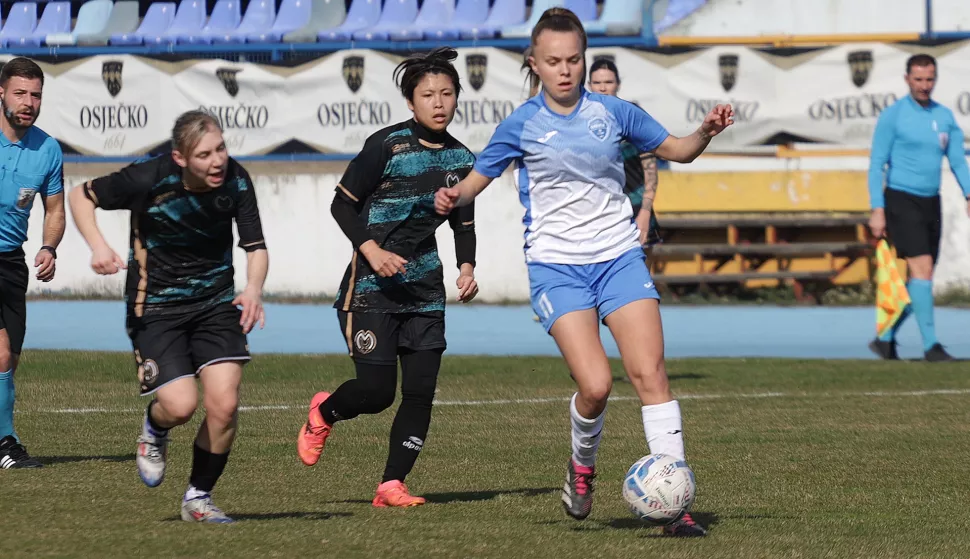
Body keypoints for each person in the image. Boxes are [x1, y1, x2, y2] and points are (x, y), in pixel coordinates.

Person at [435, 8, 733, 536]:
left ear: (584, 59)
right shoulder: (521, 124)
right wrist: (450, 195)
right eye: (553, 61)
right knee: (595, 386)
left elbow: (679, 151)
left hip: (618, 257)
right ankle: (582, 465)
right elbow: (474, 182)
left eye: (574, 59)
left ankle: (675, 506)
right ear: (534, 63)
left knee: (651, 376)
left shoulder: (615, 112)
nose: (565, 70)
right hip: (557, 269)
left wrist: (705, 131)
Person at [297, 47, 479, 508]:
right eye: (428, 94)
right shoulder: (386, 145)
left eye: (447, 93)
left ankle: (391, 485)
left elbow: (463, 224)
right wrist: (372, 251)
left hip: (425, 293)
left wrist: (467, 268)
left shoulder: (462, 158)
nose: (439, 102)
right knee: (377, 393)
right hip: (371, 291)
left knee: (420, 393)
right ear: (411, 102)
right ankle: (323, 412)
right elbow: (342, 205)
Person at [69, 110, 268, 523]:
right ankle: (155, 429)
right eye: (205, 155)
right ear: (180, 158)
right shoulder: (148, 178)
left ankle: (198, 498)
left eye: (221, 149)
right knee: (179, 406)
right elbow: (80, 196)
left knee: (225, 405)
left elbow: (256, 246)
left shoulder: (236, 179)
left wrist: (253, 289)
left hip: (215, 305)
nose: (218, 161)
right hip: (155, 307)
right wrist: (98, 246)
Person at [867, 53, 970, 362]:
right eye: (919, 79)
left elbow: (957, 160)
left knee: (921, 280)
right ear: (907, 79)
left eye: (929, 79)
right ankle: (931, 346)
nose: (925, 85)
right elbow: (876, 165)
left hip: (930, 201)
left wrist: (969, 193)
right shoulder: (893, 116)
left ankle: (885, 339)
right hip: (901, 199)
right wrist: (877, 208)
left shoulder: (945, 117)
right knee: (922, 270)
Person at [0, 57, 65, 469]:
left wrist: (49, 247)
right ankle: (7, 444)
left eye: (36, 95)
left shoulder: (48, 149)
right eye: (20, 93)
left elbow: (55, 209)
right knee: (1, 354)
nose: (28, 102)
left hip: (12, 263)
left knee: (10, 362)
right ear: (1, 93)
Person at [588, 58, 662, 252]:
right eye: (597, 83)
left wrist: (645, 211)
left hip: (635, 209)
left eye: (608, 82)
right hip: (597, 215)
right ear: (588, 85)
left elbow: (650, 170)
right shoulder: (580, 121)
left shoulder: (632, 116)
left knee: (640, 270)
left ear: (618, 84)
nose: (602, 88)